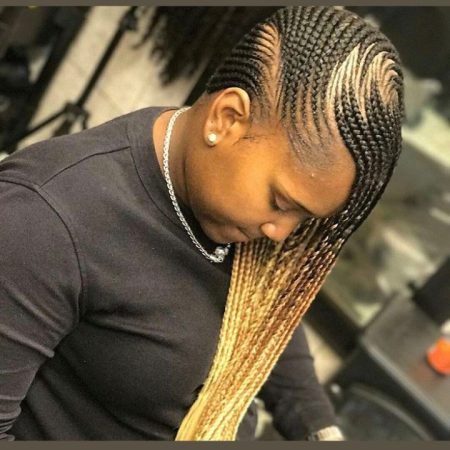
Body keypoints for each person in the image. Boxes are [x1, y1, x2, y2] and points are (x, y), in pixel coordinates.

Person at [0, 5, 403, 441]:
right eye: (281, 203)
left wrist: (321, 431)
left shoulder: (240, 215)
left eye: (304, 218)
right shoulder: (43, 219)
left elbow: (262, 315)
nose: (281, 232)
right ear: (226, 119)